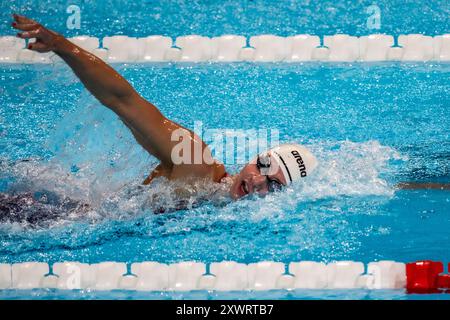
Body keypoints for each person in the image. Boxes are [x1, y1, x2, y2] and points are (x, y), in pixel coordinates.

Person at [10, 14, 319, 204]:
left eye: (274, 187)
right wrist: (62, 45)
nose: (256, 182)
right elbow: (124, 101)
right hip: (49, 214)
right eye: (263, 168)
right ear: (254, 158)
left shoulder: (216, 204)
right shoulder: (195, 160)